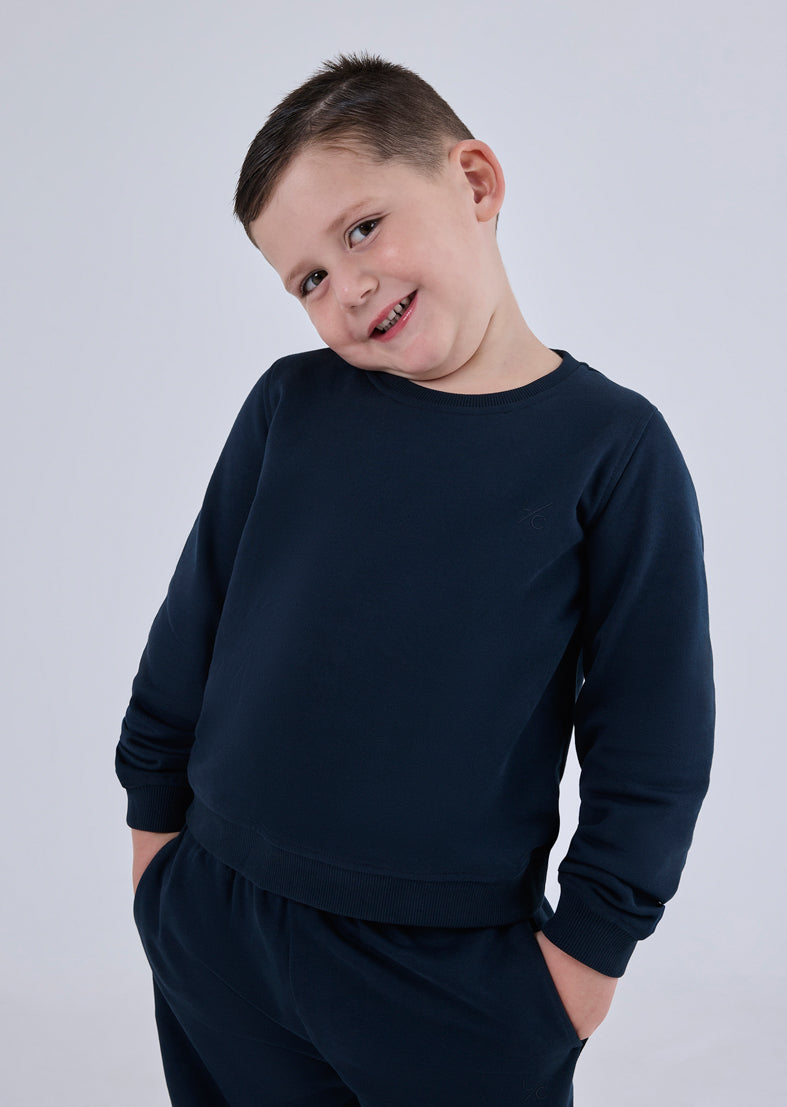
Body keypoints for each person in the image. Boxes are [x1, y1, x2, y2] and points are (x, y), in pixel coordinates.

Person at [116, 53, 715, 1107]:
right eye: (307, 280)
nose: (346, 287)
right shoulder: (290, 407)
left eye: (360, 230)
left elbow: (651, 732)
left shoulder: (611, 449)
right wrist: (156, 852)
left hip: (450, 977)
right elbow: (190, 628)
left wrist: (584, 961)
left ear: (474, 183)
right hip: (216, 918)